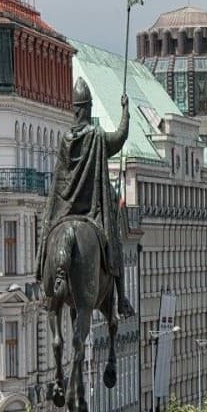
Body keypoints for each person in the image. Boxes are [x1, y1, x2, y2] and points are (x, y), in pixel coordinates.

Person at [37, 78, 134, 317]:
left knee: (46, 235)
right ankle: (121, 300)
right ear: (88, 109)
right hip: (92, 212)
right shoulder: (97, 137)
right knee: (115, 246)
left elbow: (60, 179)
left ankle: (44, 286)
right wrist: (125, 111)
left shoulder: (65, 140)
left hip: (65, 210)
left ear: (74, 110)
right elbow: (120, 137)